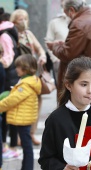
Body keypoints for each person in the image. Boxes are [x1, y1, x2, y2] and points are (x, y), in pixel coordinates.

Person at [38, 56, 91, 170]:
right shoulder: (55, 120)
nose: (90, 90)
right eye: (84, 84)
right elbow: (46, 159)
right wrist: (62, 168)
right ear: (69, 85)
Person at [46, 0, 91, 102]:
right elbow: (83, 48)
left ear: (71, 10)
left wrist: (54, 46)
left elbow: (67, 54)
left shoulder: (79, 23)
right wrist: (63, 45)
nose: (67, 17)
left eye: (66, 13)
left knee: (79, 116)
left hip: (83, 83)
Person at [10, 9, 46, 145]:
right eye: (20, 19)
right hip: (18, 75)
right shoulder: (11, 34)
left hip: (32, 73)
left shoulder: (28, 34)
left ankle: (31, 133)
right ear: (14, 21)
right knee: (20, 104)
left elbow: (39, 48)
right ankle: (20, 136)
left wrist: (42, 56)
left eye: (25, 18)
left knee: (36, 102)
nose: (24, 21)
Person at [0, 54, 41, 170]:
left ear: (25, 68)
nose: (16, 69)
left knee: (27, 146)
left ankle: (27, 168)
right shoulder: (28, 81)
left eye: (18, 67)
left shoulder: (26, 84)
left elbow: (12, 100)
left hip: (24, 119)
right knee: (26, 145)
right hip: (25, 118)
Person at [0, 7, 20, 160]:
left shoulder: (4, 35)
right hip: (11, 76)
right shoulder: (9, 31)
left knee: (6, 113)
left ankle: (8, 146)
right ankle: (9, 145)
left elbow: (8, 58)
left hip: (7, 77)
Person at [45, 0, 69, 87]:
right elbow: (48, 41)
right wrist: (55, 60)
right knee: (62, 93)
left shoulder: (80, 22)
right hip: (59, 62)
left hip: (77, 63)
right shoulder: (55, 22)